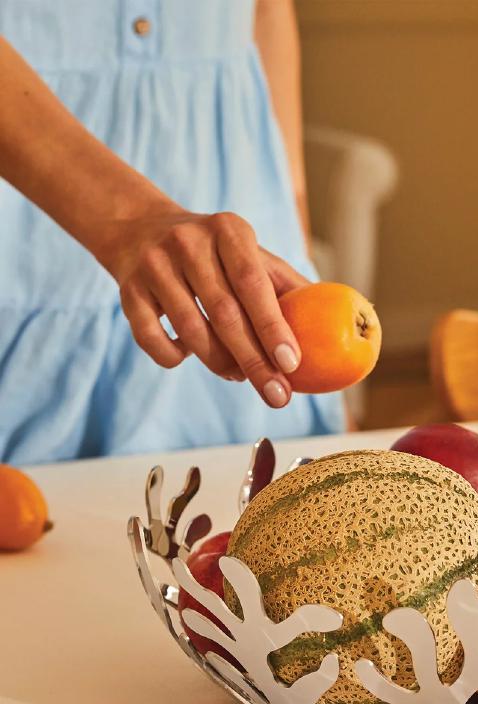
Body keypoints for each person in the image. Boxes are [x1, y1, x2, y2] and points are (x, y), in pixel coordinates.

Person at [0, 1, 345, 466]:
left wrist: (294, 241)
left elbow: (267, 10)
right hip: (23, 220)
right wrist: (129, 220)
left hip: (233, 209)